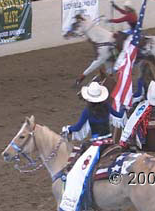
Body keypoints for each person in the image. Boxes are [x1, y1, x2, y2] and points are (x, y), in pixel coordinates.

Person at [59, 81, 125, 211]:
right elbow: (119, 116)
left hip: (96, 146)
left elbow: (78, 127)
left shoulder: (87, 111)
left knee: (78, 171)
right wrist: (123, 108)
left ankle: (76, 202)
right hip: (111, 143)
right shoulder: (107, 106)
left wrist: (68, 129)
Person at [119, 81, 155, 149]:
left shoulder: (143, 106)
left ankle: (129, 140)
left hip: (144, 105)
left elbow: (137, 94)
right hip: (154, 103)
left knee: (133, 119)